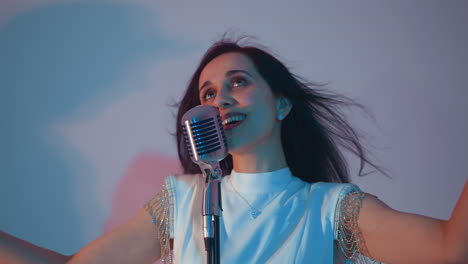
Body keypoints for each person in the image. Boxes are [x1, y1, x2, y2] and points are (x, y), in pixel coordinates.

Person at [1, 37, 467, 264]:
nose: (219, 100)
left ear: (282, 102)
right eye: (207, 94)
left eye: (238, 83)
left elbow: (451, 249)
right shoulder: (181, 202)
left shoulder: (329, 210)